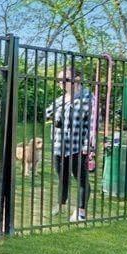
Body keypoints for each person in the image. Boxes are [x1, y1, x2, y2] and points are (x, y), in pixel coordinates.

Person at [45, 66, 92, 222]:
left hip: (78, 147)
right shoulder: (61, 99)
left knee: (81, 179)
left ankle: (81, 212)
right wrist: (54, 118)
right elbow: (47, 114)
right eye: (59, 80)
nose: (61, 83)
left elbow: (92, 125)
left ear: (77, 80)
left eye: (64, 79)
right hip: (59, 145)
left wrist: (88, 147)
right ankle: (61, 205)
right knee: (62, 178)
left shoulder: (88, 98)